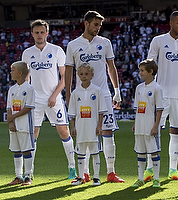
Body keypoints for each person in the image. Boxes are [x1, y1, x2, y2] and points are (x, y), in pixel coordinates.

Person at [65, 10, 124, 183]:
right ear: (86, 23)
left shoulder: (105, 43)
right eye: (95, 24)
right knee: (85, 135)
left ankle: (111, 172)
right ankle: (85, 174)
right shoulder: (73, 45)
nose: (98, 28)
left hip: (104, 94)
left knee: (108, 132)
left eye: (100, 25)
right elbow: (68, 71)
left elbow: (111, 67)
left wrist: (117, 91)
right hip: (82, 97)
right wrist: (68, 95)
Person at [145, 11, 178, 182]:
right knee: (154, 131)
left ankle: (173, 170)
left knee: (177, 131)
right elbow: (148, 67)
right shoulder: (158, 41)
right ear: (171, 23)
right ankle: (149, 169)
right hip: (162, 94)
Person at [21, 19, 76, 179]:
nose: (39, 35)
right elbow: (26, 78)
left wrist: (54, 95)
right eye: (36, 32)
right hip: (35, 101)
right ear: (32, 34)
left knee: (64, 131)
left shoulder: (57, 50)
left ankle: (72, 168)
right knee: (33, 134)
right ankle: (29, 173)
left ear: (47, 33)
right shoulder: (27, 53)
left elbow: (65, 76)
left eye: (42, 32)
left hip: (54, 99)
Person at [68, 63, 106, 186]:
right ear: (78, 75)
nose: (84, 76)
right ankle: (81, 177)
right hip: (80, 127)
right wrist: (72, 127)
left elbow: (101, 111)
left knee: (95, 153)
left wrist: (100, 126)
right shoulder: (75, 92)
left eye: (86, 74)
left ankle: (96, 177)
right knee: (81, 154)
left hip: (93, 127)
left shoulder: (97, 91)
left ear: (92, 75)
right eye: (81, 74)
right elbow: (73, 113)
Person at [131, 59, 163, 188]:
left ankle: (157, 179)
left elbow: (159, 109)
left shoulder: (157, 88)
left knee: (154, 152)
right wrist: (135, 123)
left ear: (151, 72)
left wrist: (156, 126)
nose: (140, 73)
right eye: (140, 70)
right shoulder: (139, 88)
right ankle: (140, 178)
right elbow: (137, 107)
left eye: (142, 71)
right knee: (140, 152)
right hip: (140, 126)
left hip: (151, 127)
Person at [6, 61, 35, 186]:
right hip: (14, 126)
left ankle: (28, 176)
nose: (11, 72)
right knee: (16, 151)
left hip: (25, 126)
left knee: (26, 151)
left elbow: (28, 107)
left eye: (13, 70)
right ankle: (18, 176)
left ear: (20, 73)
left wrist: (12, 116)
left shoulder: (29, 89)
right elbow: (9, 107)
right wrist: (11, 122)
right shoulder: (11, 89)